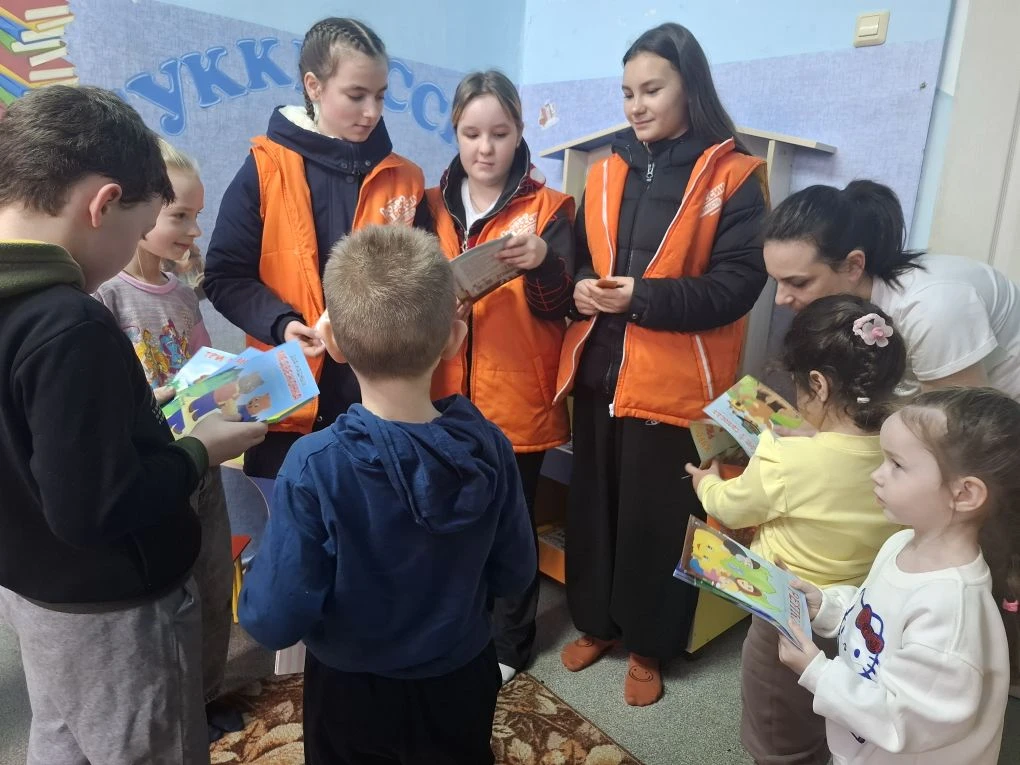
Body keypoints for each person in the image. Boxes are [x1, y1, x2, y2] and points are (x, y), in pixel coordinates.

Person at [0, 85, 266, 765]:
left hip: (36, 594)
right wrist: (197, 450)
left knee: (61, 731)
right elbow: (95, 507)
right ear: (103, 204)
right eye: (135, 228)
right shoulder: (69, 324)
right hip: (115, 609)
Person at [239, 225, 536, 765]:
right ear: (454, 338)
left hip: (352, 693)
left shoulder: (314, 464)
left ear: (333, 343)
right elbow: (515, 573)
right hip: (460, 676)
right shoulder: (490, 445)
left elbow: (273, 618)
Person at [554, 22, 769, 705]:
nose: (636, 105)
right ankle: (598, 624)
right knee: (593, 509)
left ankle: (648, 645)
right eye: (627, 93)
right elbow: (581, 256)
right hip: (600, 371)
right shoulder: (605, 168)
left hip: (676, 385)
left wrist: (640, 298)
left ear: (690, 87)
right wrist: (581, 285)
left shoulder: (735, 174)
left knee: (658, 523)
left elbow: (738, 286)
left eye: (651, 89)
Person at [762, 179, 1020, 693]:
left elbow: (959, 439)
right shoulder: (861, 315)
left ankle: (969, 677)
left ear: (853, 265)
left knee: (977, 546)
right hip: (956, 420)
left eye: (798, 282)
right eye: (776, 282)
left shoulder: (931, 308)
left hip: (992, 425)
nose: (782, 298)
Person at [204, 16, 427, 479]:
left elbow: (422, 282)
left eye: (381, 96)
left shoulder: (405, 179)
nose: (372, 112)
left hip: (377, 405)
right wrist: (282, 323)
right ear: (314, 86)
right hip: (283, 404)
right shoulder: (264, 167)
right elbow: (224, 277)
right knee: (282, 520)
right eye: (356, 95)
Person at [686, 295, 905, 764]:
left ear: (818, 385)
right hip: (864, 614)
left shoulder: (786, 458)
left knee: (778, 726)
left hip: (789, 613)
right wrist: (817, 436)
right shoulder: (901, 454)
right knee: (837, 718)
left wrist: (706, 484)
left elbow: (733, 507)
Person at [426, 69, 575, 684]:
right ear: (455, 133)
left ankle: (511, 641)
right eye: (471, 134)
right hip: (440, 392)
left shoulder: (550, 209)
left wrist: (543, 263)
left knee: (511, 524)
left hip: (518, 394)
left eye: (500, 133)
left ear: (518, 133)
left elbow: (560, 305)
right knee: (448, 518)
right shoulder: (429, 205)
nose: (485, 148)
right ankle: (457, 624)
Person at [778, 387, 1015, 765]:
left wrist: (817, 673)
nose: (877, 475)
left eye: (897, 465)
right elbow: (874, 617)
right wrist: (825, 606)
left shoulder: (949, 610)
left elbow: (905, 720)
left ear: (964, 493)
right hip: (863, 746)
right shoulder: (903, 542)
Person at [93, 138, 239, 738]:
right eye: (180, 215)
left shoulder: (181, 293)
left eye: (196, 215)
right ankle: (172, 704)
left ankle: (206, 695)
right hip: (156, 470)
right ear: (142, 207)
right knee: (166, 599)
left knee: (212, 579)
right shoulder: (105, 296)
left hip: (205, 461)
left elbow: (205, 365)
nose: (193, 230)